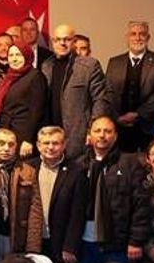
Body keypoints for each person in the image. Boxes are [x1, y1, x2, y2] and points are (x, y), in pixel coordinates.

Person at [77, 116, 148, 263]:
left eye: (107, 131)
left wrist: (135, 241)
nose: (102, 135)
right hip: (84, 243)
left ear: (115, 136)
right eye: (97, 131)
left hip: (118, 245)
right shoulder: (79, 165)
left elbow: (141, 206)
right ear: (89, 135)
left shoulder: (130, 163)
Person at [41, 24, 110, 161]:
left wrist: (93, 130)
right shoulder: (46, 66)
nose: (62, 43)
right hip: (52, 137)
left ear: (74, 41)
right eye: (57, 39)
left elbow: (100, 100)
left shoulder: (89, 66)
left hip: (78, 137)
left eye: (67, 39)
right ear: (53, 42)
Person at [0, 128, 44, 263]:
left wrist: (33, 248)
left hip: (17, 238)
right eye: (1, 143)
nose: (6, 148)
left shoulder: (28, 172)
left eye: (11, 144)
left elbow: (35, 210)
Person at [27, 126, 86, 263]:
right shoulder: (28, 167)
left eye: (55, 143)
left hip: (61, 245)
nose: (50, 147)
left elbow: (78, 213)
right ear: (38, 145)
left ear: (64, 145)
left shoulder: (76, 171)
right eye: (46, 143)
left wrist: (70, 246)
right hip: (34, 242)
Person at [104, 21, 154, 153]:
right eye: (133, 34)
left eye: (142, 34)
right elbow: (108, 91)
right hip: (120, 126)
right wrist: (117, 117)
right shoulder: (114, 62)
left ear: (148, 37)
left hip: (151, 126)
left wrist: (138, 114)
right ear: (127, 37)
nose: (138, 37)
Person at [0, 42, 48, 158]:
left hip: (23, 135)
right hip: (7, 132)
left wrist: (28, 140)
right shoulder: (8, 78)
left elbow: (36, 112)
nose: (14, 59)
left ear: (27, 56)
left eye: (18, 55)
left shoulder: (35, 76)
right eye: (11, 55)